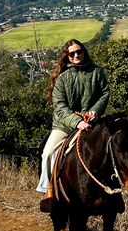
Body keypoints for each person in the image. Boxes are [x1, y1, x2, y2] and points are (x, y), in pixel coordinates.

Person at [37, 39, 110, 210]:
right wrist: (76, 122)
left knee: (115, 147)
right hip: (65, 126)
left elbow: (104, 94)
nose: (76, 55)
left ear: (84, 52)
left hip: (92, 122)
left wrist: (96, 111)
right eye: (72, 53)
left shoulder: (97, 72)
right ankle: (48, 192)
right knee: (48, 153)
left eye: (79, 52)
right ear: (67, 56)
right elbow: (60, 107)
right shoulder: (61, 78)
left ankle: (117, 195)